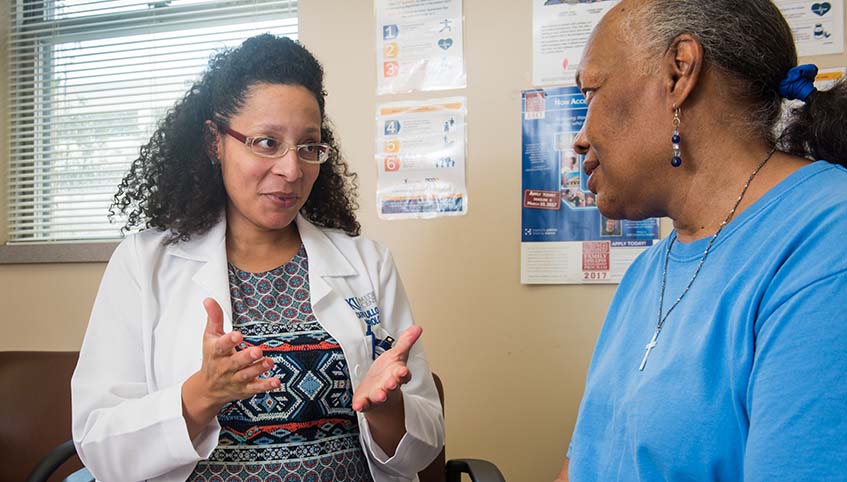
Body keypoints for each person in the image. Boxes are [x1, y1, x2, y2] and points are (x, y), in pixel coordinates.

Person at [72, 34, 444, 482]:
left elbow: (423, 447)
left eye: (308, 146)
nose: (292, 170)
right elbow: (101, 446)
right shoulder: (144, 264)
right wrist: (200, 395)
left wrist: (388, 410)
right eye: (266, 142)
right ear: (216, 142)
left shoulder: (367, 263)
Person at [556, 1, 847, 481]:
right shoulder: (648, 272)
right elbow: (585, 462)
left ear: (679, 72)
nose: (579, 139)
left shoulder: (825, 241)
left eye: (591, 93)